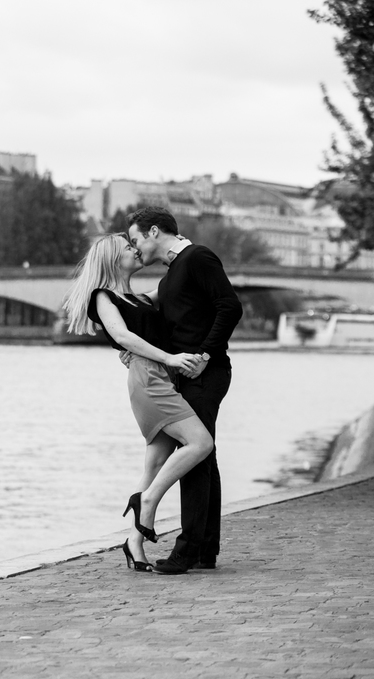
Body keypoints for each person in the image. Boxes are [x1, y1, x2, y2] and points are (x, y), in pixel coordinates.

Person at [63, 232, 214, 573]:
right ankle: (147, 501)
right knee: (201, 442)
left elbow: (178, 281)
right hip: (150, 379)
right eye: (128, 248)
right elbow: (123, 336)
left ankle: (134, 542)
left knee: (155, 464)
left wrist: (179, 248)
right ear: (113, 259)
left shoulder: (141, 299)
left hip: (161, 376)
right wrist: (170, 358)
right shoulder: (103, 297)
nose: (136, 250)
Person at [127, 206, 242, 574]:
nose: (136, 249)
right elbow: (162, 315)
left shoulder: (197, 257)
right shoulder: (175, 272)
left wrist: (206, 353)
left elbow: (231, 307)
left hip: (206, 373)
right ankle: (205, 548)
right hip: (192, 374)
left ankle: (187, 550)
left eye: (135, 240)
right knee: (203, 457)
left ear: (154, 231)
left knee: (195, 455)